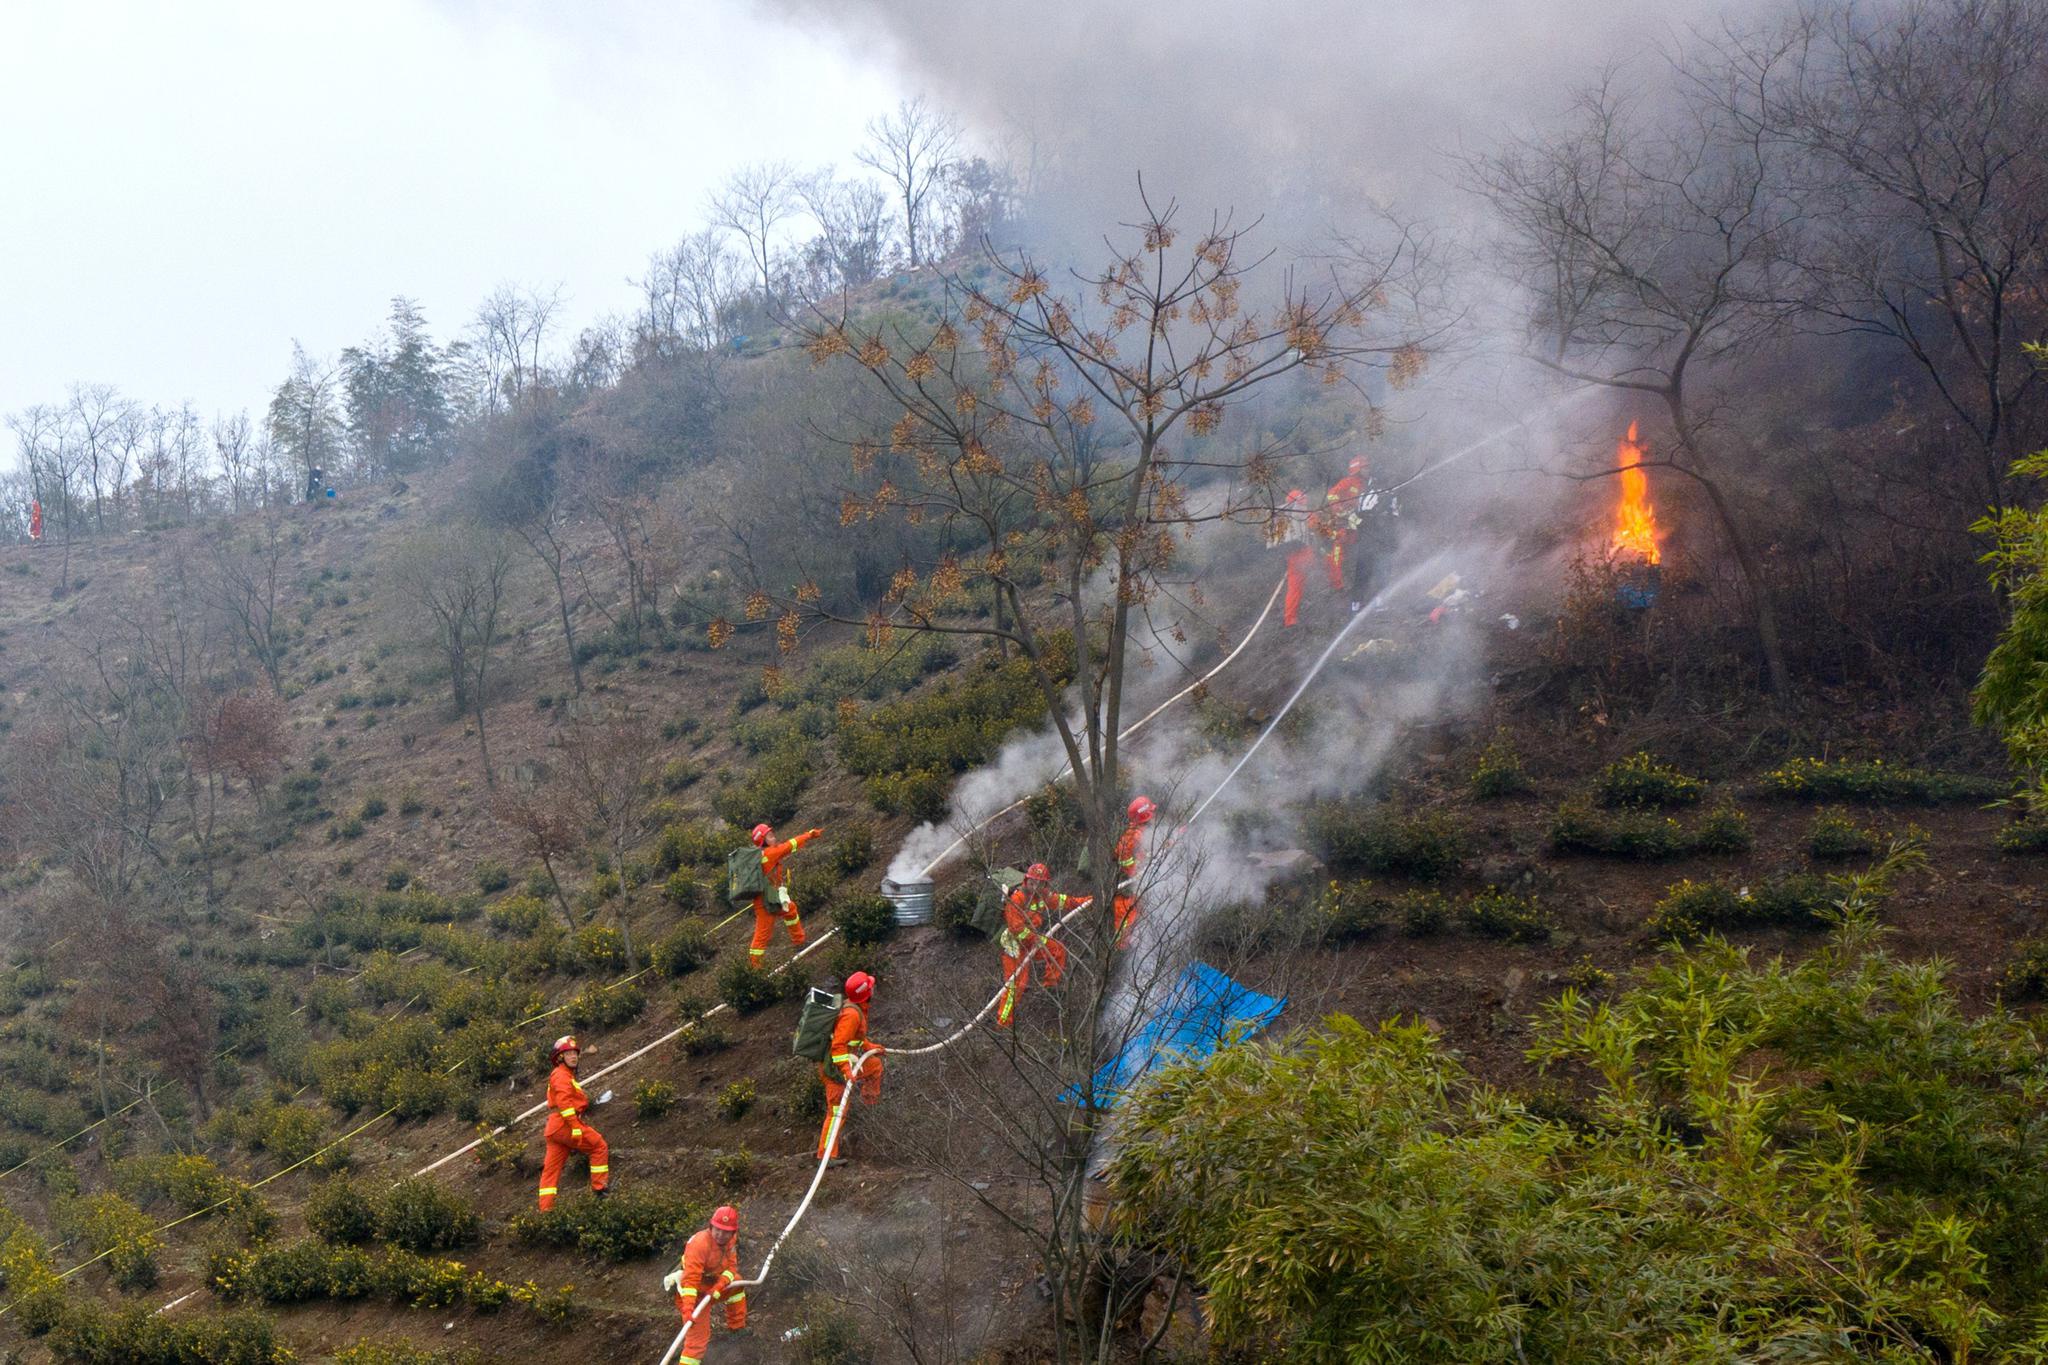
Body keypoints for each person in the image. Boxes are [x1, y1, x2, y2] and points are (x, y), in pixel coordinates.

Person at [996, 865, 1089, 1029]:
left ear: (1045, 885)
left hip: (1032, 941)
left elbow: (1064, 901)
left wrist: (1086, 901)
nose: (1035, 887)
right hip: (1014, 946)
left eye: (1040, 884)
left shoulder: (1043, 897)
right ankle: (1003, 1023)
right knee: (1016, 986)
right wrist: (1033, 939)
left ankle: (1050, 988)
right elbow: (1016, 928)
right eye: (1033, 883)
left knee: (1057, 951)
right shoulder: (1017, 899)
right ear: (1027, 881)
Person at [663, 1204, 748, 1365]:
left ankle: (737, 1328)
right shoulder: (699, 1244)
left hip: (711, 1286)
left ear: (733, 1232)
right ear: (711, 1226)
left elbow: (731, 1267)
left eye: (726, 1231)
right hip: (692, 1294)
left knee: (737, 1284)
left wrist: (720, 1285)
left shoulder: (730, 1241)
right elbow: (690, 1280)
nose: (721, 1235)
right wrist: (688, 1309)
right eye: (718, 1229)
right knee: (697, 1342)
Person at [816, 971, 884, 1165]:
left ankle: (870, 1105)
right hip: (835, 1070)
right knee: (837, 1111)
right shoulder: (851, 1014)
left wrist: (869, 1047)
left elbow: (856, 1037)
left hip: (847, 1062)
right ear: (866, 992)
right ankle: (826, 1155)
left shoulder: (856, 1008)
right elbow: (838, 1046)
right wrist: (846, 1070)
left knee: (875, 1066)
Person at [537, 1035, 609, 1211]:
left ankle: (545, 1211)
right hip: (564, 1124)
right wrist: (576, 1127)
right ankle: (600, 1191)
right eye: (568, 1054)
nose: (573, 1056)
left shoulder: (563, 1075)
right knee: (599, 1146)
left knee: (550, 1172)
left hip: (554, 1128)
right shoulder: (561, 1075)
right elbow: (564, 1103)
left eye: (575, 1053)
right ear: (560, 1057)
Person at [747, 823, 822, 969]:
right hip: (766, 903)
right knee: (762, 936)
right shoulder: (770, 853)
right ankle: (755, 970)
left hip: (770, 898)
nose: (774, 837)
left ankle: (799, 942)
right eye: (769, 836)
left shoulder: (760, 855)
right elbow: (790, 845)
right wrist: (809, 834)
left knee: (791, 909)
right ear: (763, 841)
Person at [1112, 796, 1155, 949]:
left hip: (1133, 886)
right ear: (1146, 815)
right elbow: (1127, 863)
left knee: (1136, 918)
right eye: (1151, 812)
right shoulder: (1137, 836)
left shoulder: (1133, 834)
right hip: (1129, 887)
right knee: (1128, 922)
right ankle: (1123, 953)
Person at [1272, 489, 1317, 628]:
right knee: (1319, 573)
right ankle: (1335, 590)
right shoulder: (1304, 514)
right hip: (1306, 555)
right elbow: (1315, 527)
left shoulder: (1283, 517)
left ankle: (1290, 619)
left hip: (1291, 557)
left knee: (1294, 588)